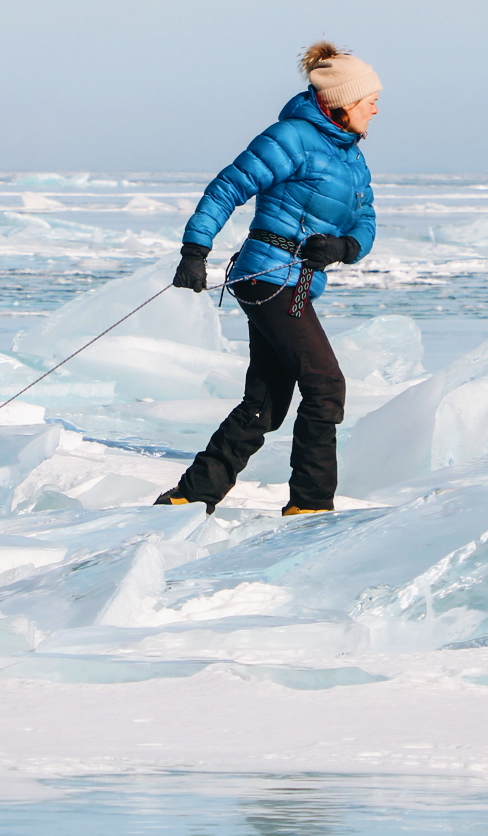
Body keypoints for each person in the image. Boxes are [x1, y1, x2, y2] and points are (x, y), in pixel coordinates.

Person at [156, 41, 380, 515]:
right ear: (340, 103)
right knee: (325, 385)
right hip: (266, 274)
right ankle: (311, 505)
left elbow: (367, 220)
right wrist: (195, 251)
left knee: (267, 403)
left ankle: (189, 495)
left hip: (298, 283)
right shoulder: (291, 138)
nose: (376, 109)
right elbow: (227, 187)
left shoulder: (352, 157)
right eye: (369, 100)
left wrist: (344, 247)